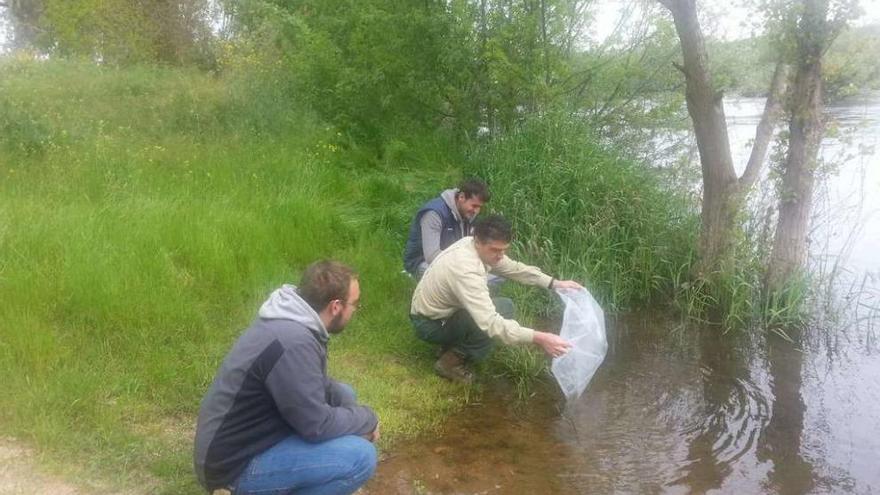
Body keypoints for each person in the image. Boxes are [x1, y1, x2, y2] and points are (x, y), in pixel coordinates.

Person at [194, 261, 379, 495]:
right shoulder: (295, 342)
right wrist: (368, 418)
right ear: (335, 306)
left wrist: (352, 418)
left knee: (344, 393)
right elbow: (317, 425)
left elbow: (312, 384)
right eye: (355, 304)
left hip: (246, 437)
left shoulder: (290, 317)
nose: (355, 310)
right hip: (233, 467)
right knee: (361, 457)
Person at [409, 215, 581, 383]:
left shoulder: (471, 244)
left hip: (439, 314)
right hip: (430, 324)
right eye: (496, 250)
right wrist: (541, 338)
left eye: (504, 250)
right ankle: (450, 362)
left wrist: (555, 283)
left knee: (504, 305)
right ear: (478, 241)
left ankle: (449, 346)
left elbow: (514, 269)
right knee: (498, 314)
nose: (500, 256)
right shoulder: (466, 269)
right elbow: (491, 323)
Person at [402, 178, 490, 278]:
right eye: (474, 206)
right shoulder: (434, 214)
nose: (476, 211)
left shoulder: (469, 214)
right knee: (463, 278)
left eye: (479, 207)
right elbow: (432, 257)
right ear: (461, 197)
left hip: (456, 261)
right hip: (422, 263)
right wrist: (466, 267)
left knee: (492, 273)